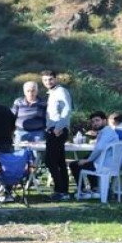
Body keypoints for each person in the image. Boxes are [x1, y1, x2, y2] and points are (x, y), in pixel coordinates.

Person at [69, 111, 119, 197]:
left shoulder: (107, 132)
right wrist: (88, 159)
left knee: (74, 164)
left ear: (104, 121)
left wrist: (88, 160)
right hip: (108, 163)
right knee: (87, 159)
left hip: (104, 165)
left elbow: (99, 148)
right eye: (93, 121)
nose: (95, 123)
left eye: (97, 120)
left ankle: (83, 191)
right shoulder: (107, 132)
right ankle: (95, 188)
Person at [42, 70, 72, 201]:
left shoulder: (61, 91)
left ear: (56, 79)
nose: (48, 82)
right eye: (45, 80)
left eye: (50, 79)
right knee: (59, 162)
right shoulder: (52, 93)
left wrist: (58, 128)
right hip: (53, 129)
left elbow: (67, 110)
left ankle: (60, 190)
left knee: (50, 161)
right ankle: (63, 191)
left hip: (57, 130)